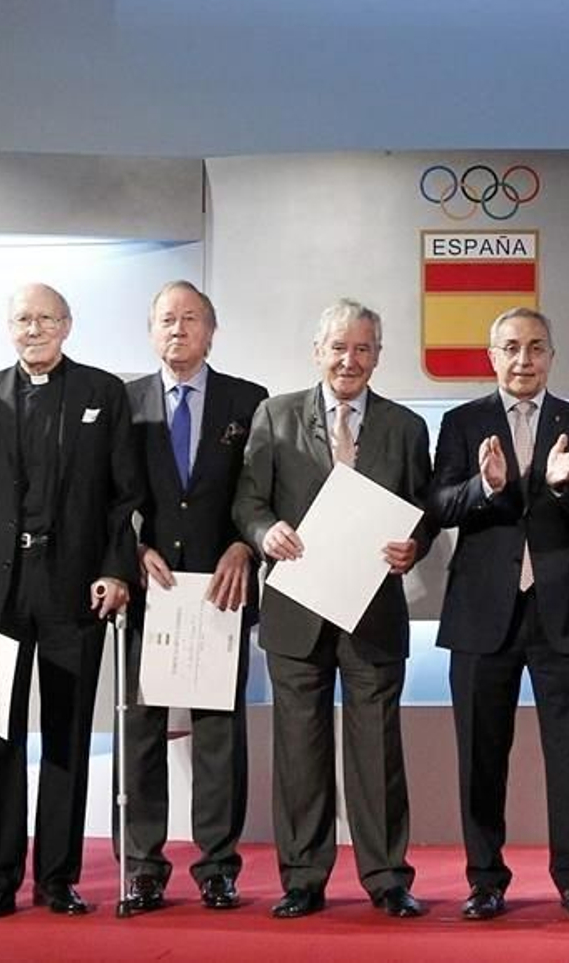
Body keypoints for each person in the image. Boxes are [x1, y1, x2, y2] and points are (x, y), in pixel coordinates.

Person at [0, 283, 140, 919]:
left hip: (73, 591)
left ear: (68, 325)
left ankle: (57, 878)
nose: (34, 329)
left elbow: (122, 495)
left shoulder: (103, 394)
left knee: (67, 738)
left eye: (46, 318)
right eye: (23, 319)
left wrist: (114, 569)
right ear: (9, 327)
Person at [231, 298, 432, 920]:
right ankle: (303, 878)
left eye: (364, 348)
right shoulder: (275, 414)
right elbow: (248, 501)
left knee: (377, 750)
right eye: (339, 347)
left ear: (378, 355)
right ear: (318, 351)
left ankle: (387, 878)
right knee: (299, 749)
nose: (350, 359)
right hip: (297, 608)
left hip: (373, 613)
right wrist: (265, 533)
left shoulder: (404, 426)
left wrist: (413, 546)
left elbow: (424, 510)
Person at [428, 307, 569, 921]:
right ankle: (485, 880)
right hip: (483, 613)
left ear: (551, 356)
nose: (523, 359)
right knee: (480, 756)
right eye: (511, 347)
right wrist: (485, 487)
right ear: (492, 356)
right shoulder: (462, 423)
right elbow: (441, 504)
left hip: (563, 610)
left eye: (536, 347)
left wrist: (563, 483)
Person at [117, 280, 266, 912]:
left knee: (217, 732)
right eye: (166, 320)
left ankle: (216, 866)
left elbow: (263, 490)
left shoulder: (248, 400)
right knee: (142, 729)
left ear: (211, 329)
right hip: (151, 589)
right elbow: (108, 498)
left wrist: (245, 546)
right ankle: (144, 866)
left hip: (220, 589)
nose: (177, 330)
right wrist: (130, 554)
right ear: (151, 331)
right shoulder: (123, 402)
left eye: (190, 319)